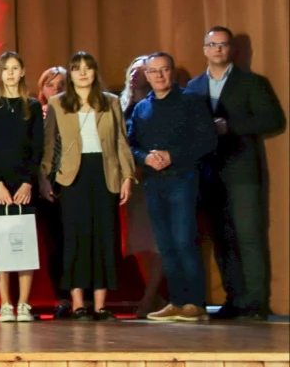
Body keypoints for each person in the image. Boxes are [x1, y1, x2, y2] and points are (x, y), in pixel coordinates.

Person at [187, 26, 287, 320]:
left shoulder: (252, 83)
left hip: (243, 172)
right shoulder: (193, 88)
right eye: (212, 44)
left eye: (223, 44)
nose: (218, 49)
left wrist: (230, 127)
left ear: (232, 50)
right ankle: (234, 298)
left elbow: (273, 120)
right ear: (204, 49)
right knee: (222, 238)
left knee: (249, 237)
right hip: (209, 174)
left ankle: (256, 303)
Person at [40, 52, 133, 321]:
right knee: (75, 239)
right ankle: (78, 303)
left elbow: (120, 141)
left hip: (104, 173)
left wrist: (127, 175)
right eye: (77, 69)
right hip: (72, 176)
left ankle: (101, 305)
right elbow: (49, 144)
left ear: (95, 72)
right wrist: (44, 177)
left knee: (104, 236)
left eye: (88, 68)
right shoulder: (58, 103)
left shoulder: (111, 102)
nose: (83, 73)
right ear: (70, 73)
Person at [128, 52, 218, 322]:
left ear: (171, 72)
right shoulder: (142, 108)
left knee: (183, 240)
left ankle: (194, 302)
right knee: (165, 245)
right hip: (155, 184)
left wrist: (171, 156)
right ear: (147, 76)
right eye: (154, 71)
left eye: (164, 70)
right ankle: (177, 301)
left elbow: (208, 140)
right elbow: (131, 145)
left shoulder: (191, 101)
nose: (159, 75)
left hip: (184, 179)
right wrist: (145, 158)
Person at [0, 52, 44, 323]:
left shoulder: (32, 105)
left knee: (24, 243)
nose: (10, 74)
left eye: (15, 68)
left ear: (22, 71)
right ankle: (5, 303)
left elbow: (37, 148)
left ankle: (24, 303)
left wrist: (28, 182)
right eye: (6, 69)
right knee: (2, 244)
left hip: (24, 184)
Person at [119, 56, 166, 319]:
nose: (136, 75)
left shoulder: (156, 103)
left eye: (141, 71)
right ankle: (154, 294)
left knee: (157, 241)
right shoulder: (119, 104)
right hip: (130, 181)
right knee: (138, 243)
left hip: (153, 176)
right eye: (133, 70)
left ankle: (148, 298)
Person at [35, 65, 72, 317]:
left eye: (61, 84)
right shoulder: (36, 113)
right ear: (42, 90)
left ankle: (83, 297)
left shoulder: (75, 111)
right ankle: (62, 297)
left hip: (75, 182)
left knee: (77, 241)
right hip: (45, 184)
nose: (56, 89)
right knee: (55, 244)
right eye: (51, 84)